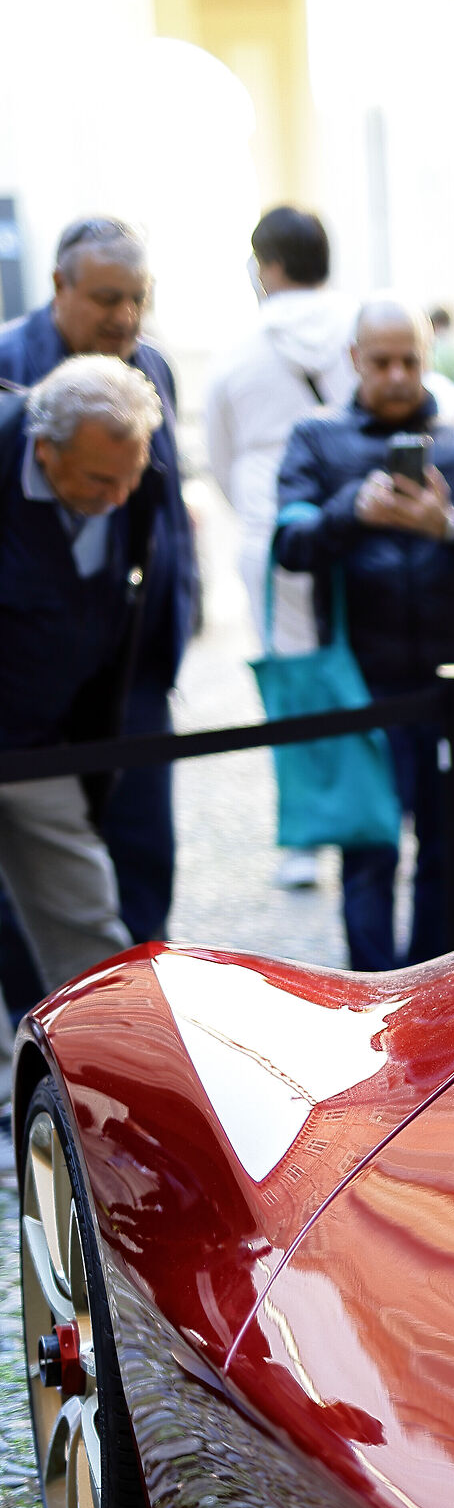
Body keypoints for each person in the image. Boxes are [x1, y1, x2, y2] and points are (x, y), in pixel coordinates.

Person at [274, 299, 454, 970]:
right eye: (381, 362)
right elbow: (290, 543)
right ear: (354, 359)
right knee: (368, 849)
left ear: (427, 357)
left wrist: (449, 524)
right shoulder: (316, 437)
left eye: (409, 361)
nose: (397, 376)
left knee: (446, 848)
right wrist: (351, 510)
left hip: (451, 677)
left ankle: (435, 993)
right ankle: (371, 995)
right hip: (359, 680)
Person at [0, 216, 197, 947]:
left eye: (138, 298)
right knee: (34, 885)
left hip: (130, 656)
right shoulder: (9, 369)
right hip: (23, 680)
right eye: (108, 298)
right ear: (61, 286)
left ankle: (132, 998)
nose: (125, 317)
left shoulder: (153, 367)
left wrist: (175, 617)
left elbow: (161, 506)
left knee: (141, 852)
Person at [0, 358, 173, 1031]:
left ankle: (105, 1061)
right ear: (45, 450)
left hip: (44, 740)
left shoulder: (133, 482)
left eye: (131, 476)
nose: (120, 496)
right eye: (102, 480)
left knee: (86, 918)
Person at [205, 205, 355, 889]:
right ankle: (376, 812)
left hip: (273, 537)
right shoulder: (362, 327)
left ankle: (306, 838)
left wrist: (257, 516)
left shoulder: (239, 350)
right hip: (359, 520)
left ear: (267, 265)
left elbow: (220, 456)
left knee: (293, 685)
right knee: (366, 674)